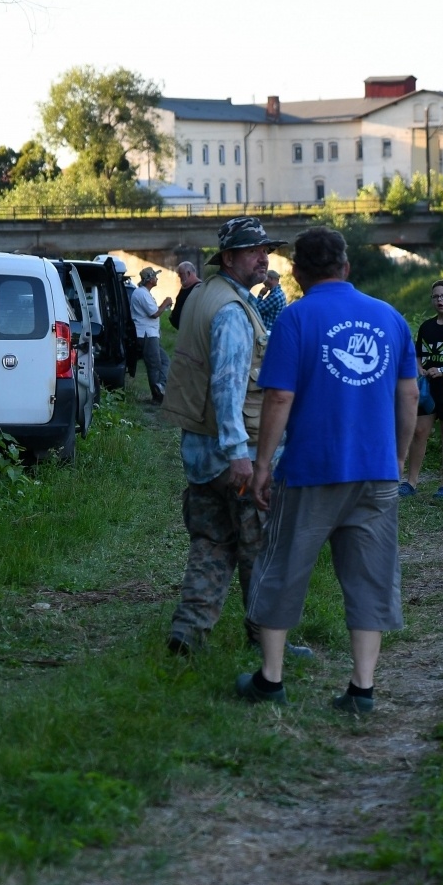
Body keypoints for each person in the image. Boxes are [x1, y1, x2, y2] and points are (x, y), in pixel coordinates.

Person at [239, 226, 418, 714]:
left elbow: (278, 397)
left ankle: (271, 679)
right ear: (346, 266)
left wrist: (261, 467)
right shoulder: (391, 318)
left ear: (297, 272)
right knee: (371, 578)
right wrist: (398, 459)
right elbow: (409, 396)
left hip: (311, 469)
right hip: (376, 472)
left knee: (283, 568)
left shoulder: (295, 320)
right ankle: (362, 688)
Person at [161, 218, 314, 658]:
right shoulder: (231, 311)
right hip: (236, 454)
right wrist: (239, 456)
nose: (263, 258)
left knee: (211, 544)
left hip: (201, 453)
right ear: (229, 258)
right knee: (261, 550)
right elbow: (227, 385)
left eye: (266, 250)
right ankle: (267, 641)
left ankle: (187, 635)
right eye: (253, 251)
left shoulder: (205, 296)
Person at [400, 279, 443, 498]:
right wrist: (419, 367)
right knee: (419, 432)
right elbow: (418, 355)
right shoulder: (426, 327)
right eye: (436, 296)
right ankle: (411, 482)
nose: (440, 300)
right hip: (427, 389)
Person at [130, 267, 172, 404]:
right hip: (147, 335)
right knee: (154, 365)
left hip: (151, 334)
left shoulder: (144, 293)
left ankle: (160, 386)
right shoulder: (141, 294)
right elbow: (154, 313)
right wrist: (165, 303)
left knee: (165, 361)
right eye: (155, 276)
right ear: (150, 279)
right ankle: (157, 397)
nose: (157, 278)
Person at [168, 261, 200, 330]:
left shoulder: (199, 288)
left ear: (188, 273)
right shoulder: (185, 287)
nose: (179, 276)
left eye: (181, 273)